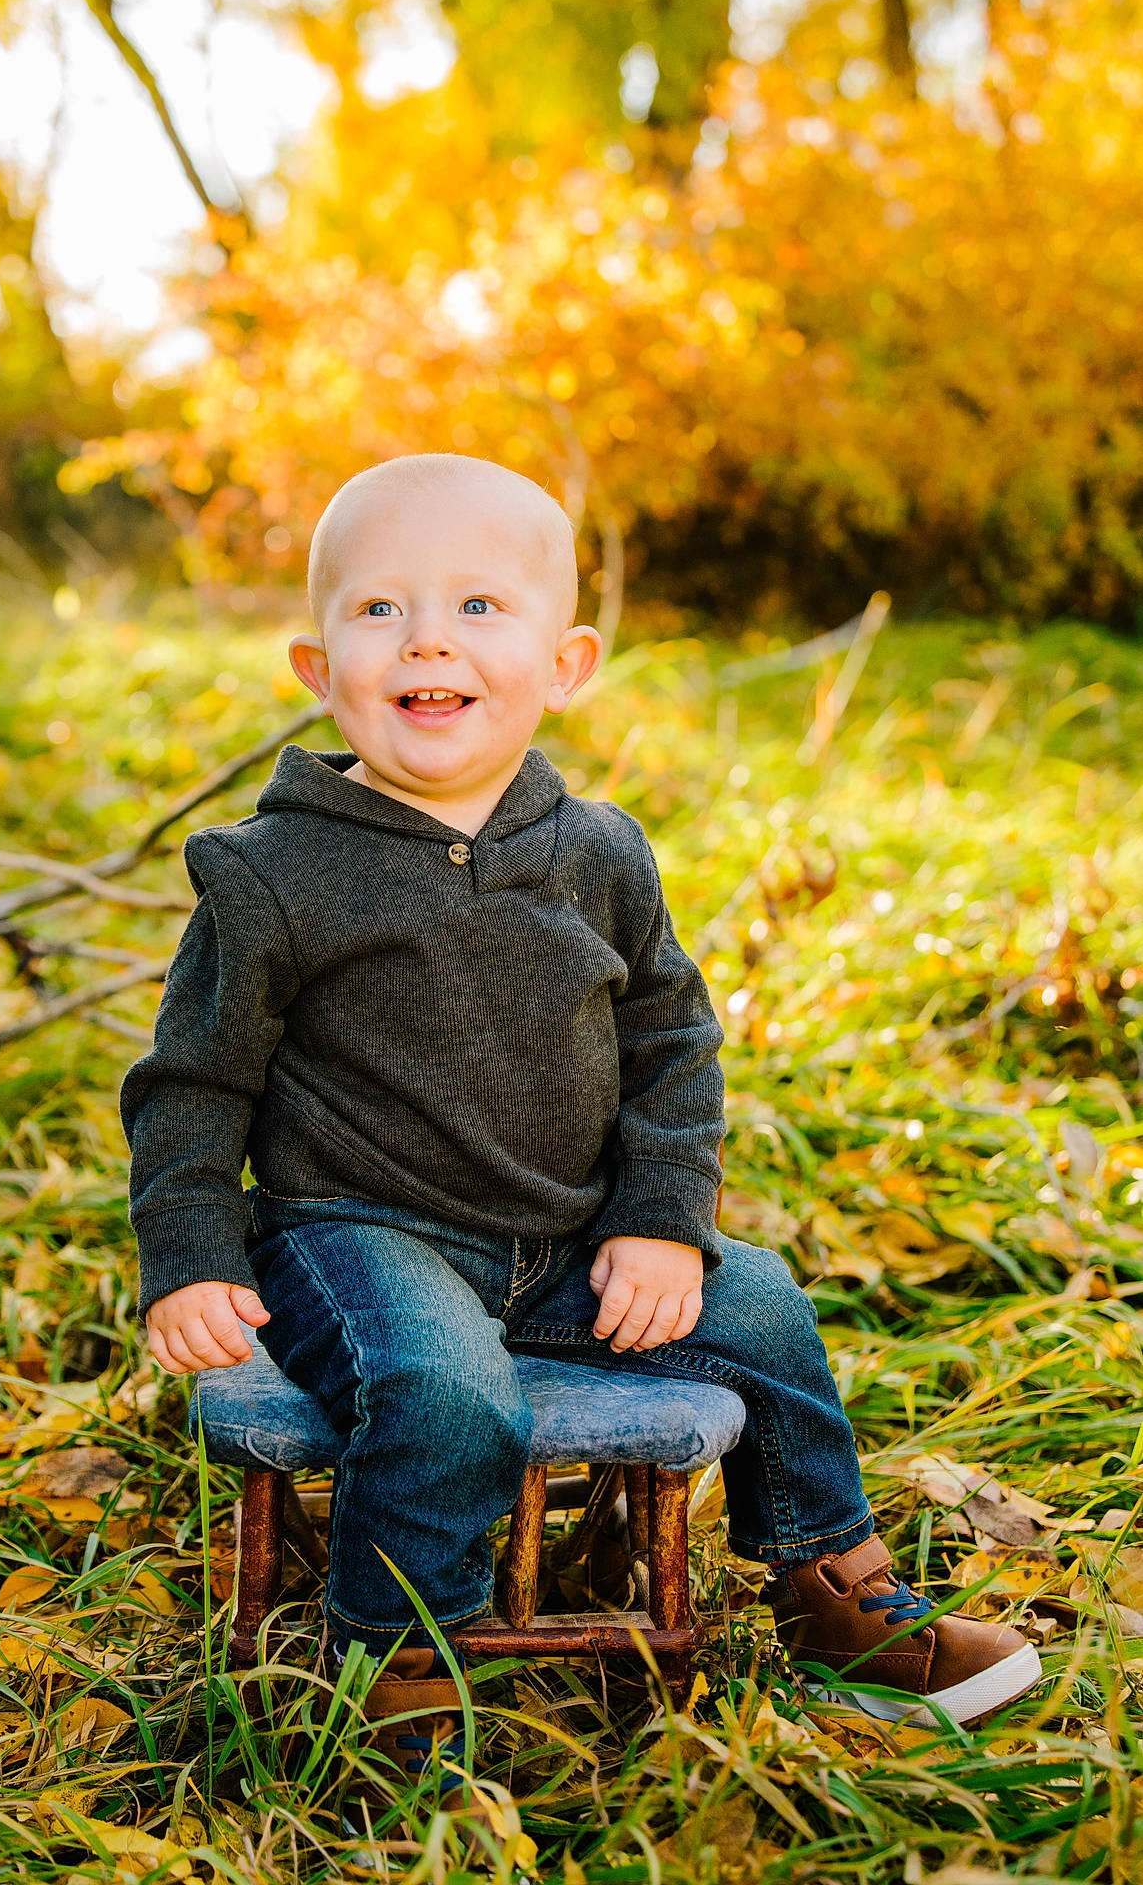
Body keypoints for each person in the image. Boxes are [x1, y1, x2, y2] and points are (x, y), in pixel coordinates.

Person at [122, 454, 1040, 1785]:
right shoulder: (273, 877)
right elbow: (191, 1079)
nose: (429, 635)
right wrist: (194, 1248)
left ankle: (835, 1594)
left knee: (769, 1310)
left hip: (564, 1243)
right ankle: (392, 1663)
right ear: (317, 669)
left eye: (480, 606)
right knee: (445, 1395)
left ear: (568, 663)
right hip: (357, 1236)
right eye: (381, 612)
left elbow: (673, 1043)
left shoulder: (599, 850)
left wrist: (663, 1223)